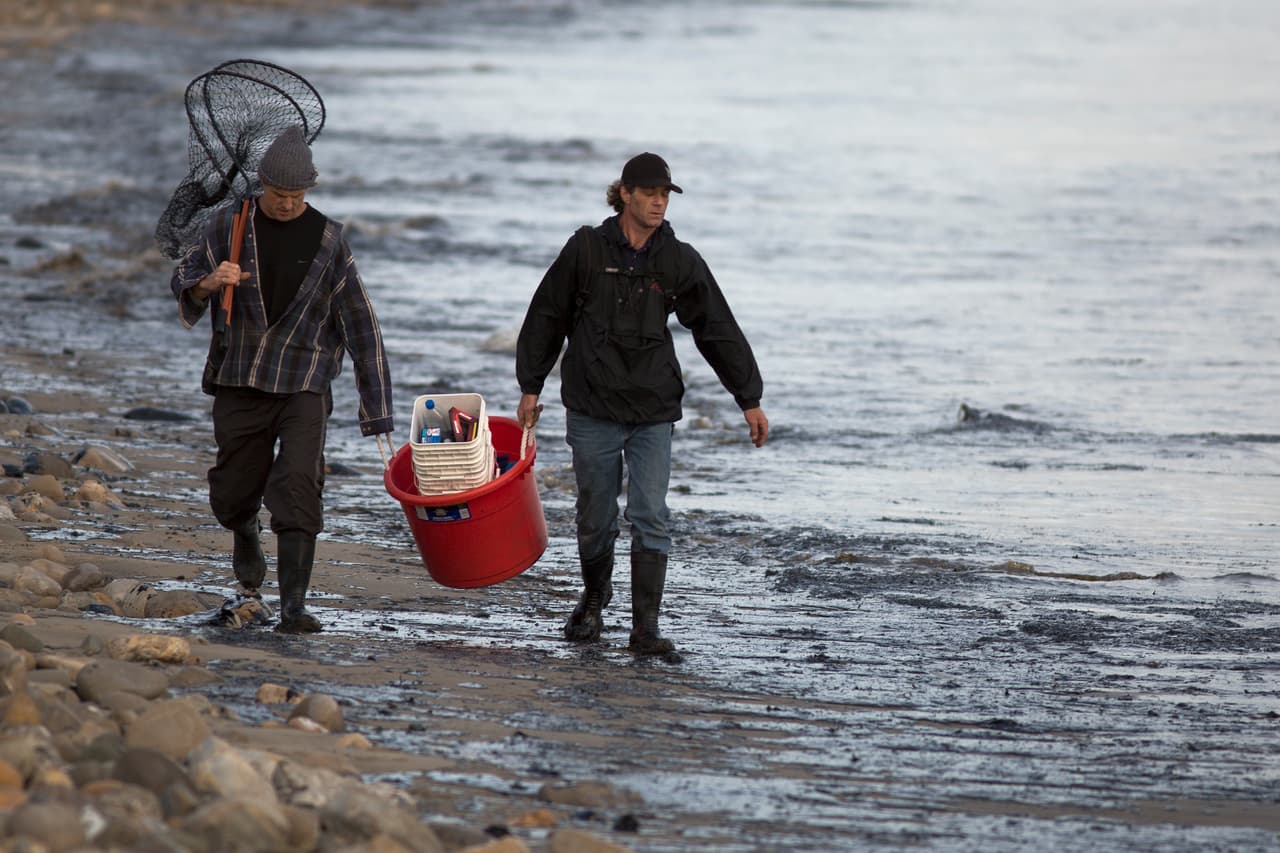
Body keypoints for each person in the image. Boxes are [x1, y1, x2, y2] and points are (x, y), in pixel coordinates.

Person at [516, 151, 768, 657]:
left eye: (666, 195)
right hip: (591, 404)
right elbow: (547, 315)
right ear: (625, 193)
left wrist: (749, 397)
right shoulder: (586, 249)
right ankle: (593, 600)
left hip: (653, 408)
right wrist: (531, 385)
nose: (659, 203)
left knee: (651, 514)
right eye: (650, 193)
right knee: (595, 515)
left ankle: (645, 629)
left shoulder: (678, 260)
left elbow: (716, 328)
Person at [169, 125, 394, 634]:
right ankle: (244, 528)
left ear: (309, 191)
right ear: (262, 184)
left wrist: (376, 411)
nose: (288, 204)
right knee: (231, 492)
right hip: (240, 377)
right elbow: (182, 282)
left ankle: (294, 606)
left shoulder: (331, 239)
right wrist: (209, 281)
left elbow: (361, 323)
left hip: (303, 381)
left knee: (298, 483)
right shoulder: (227, 226)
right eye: (278, 194)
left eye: (297, 196)